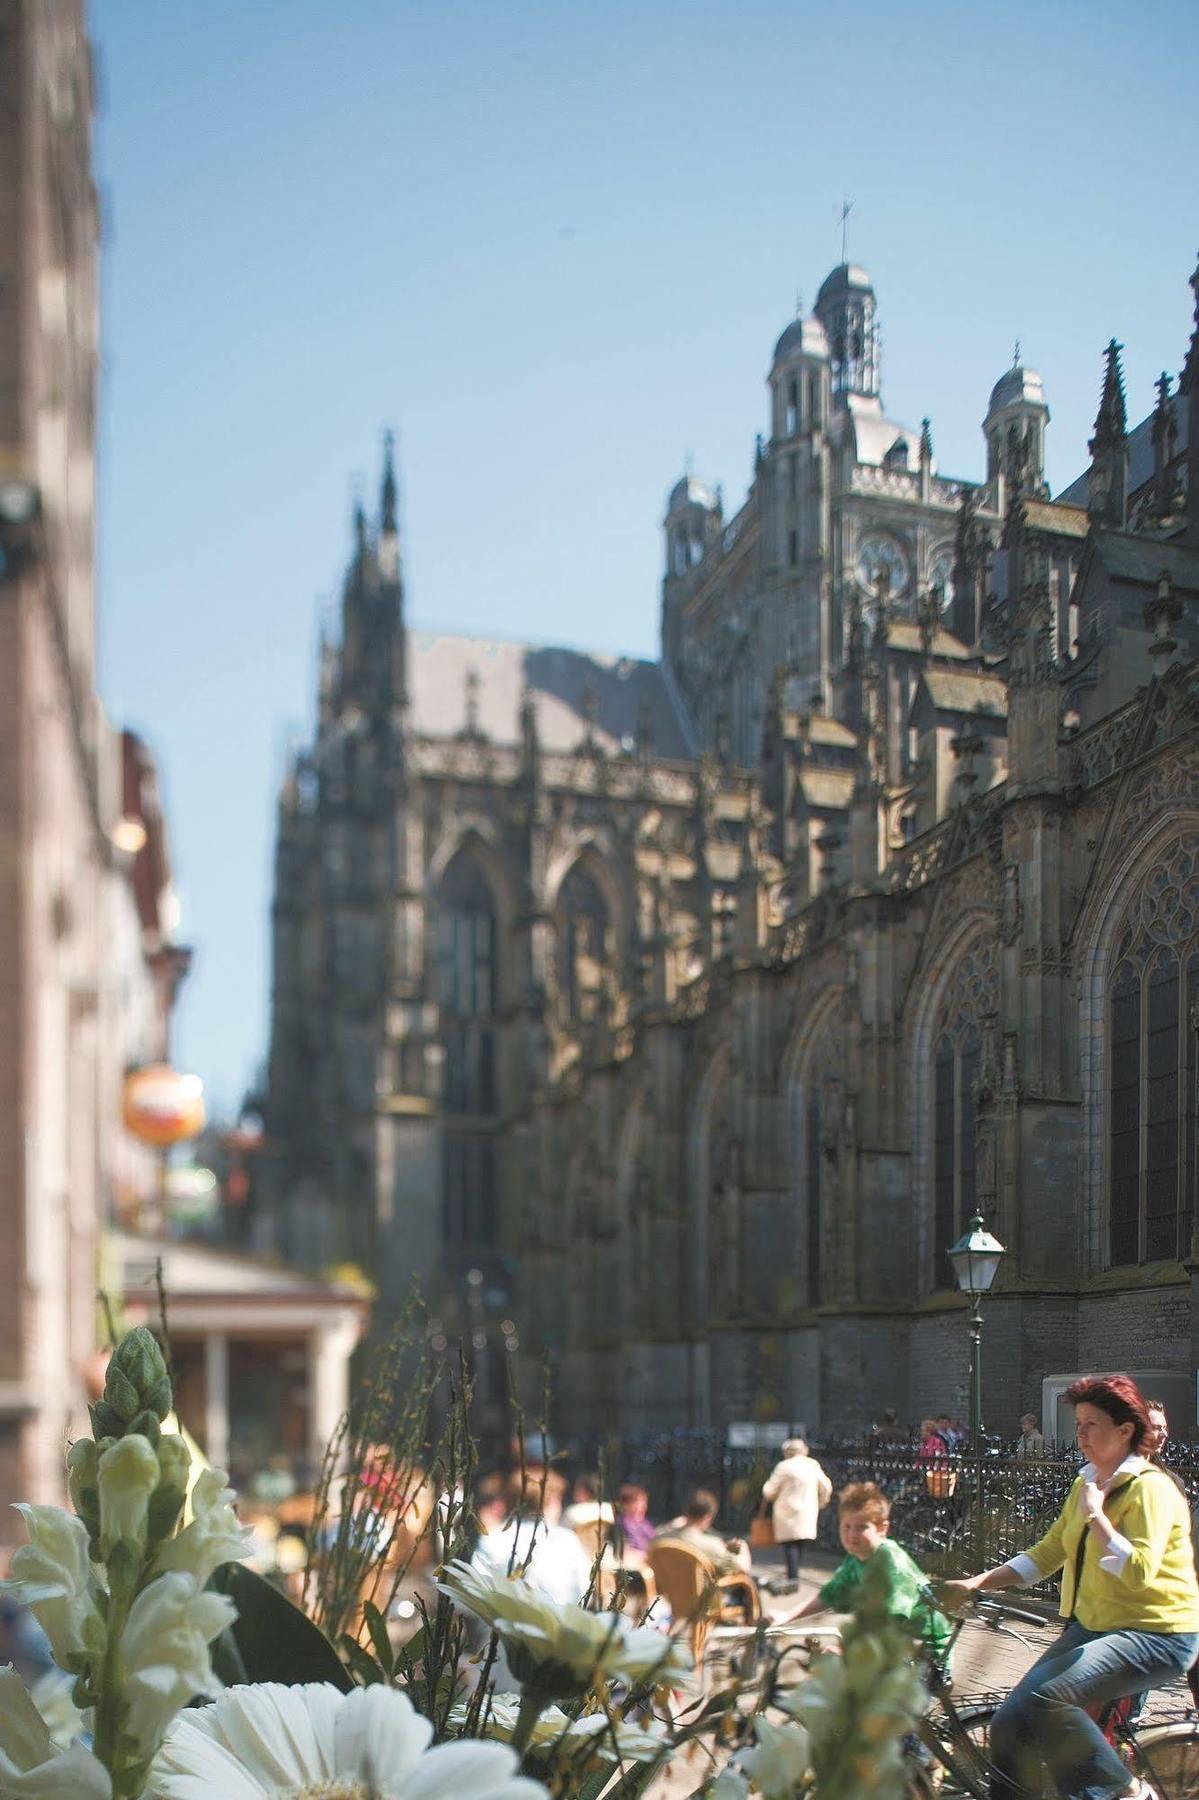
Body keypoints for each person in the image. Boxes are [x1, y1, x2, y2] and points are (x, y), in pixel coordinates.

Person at [938, 1372, 1199, 1800]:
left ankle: (1123, 1791)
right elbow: (1047, 1553)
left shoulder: (1151, 1490)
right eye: (1077, 1424)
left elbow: (1139, 1572)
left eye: (1090, 1424)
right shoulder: (1085, 1482)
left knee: (1047, 1697)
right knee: (1010, 1722)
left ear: (1125, 1430)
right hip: (1096, 1626)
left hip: (1157, 1635)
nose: (1080, 1433)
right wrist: (975, 1583)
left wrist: (1098, 1517)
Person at [781, 1481, 952, 1667]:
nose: (852, 1535)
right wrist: (784, 1618)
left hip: (924, 1643)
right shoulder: (855, 1558)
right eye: (846, 1526)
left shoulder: (890, 1562)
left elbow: (890, 1618)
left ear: (882, 1529)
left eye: (861, 1527)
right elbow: (829, 1596)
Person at [470, 1467, 592, 1606]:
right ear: (552, 1500)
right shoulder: (567, 1540)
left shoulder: (492, 1538)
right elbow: (584, 1589)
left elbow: (478, 1587)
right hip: (554, 1623)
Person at [760, 1437, 833, 1581]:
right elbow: (826, 1486)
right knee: (799, 1541)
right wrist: (822, 1502)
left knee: (789, 1543)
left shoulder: (783, 1466)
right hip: (807, 1509)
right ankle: (794, 1571)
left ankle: (793, 1576)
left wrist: (773, 1496)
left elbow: (768, 1490)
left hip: (785, 1510)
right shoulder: (812, 1464)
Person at [655, 1488, 752, 1576]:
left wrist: (671, 1526)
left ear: (686, 1511)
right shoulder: (712, 1545)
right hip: (700, 1595)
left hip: (667, 1595)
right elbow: (743, 1569)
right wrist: (744, 1547)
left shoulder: (660, 1541)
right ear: (708, 1517)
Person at [615, 1482, 656, 1559]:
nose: (643, 1506)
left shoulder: (643, 1523)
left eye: (644, 1503)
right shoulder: (621, 1524)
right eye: (638, 1503)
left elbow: (654, 1539)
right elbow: (626, 1549)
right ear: (626, 1505)